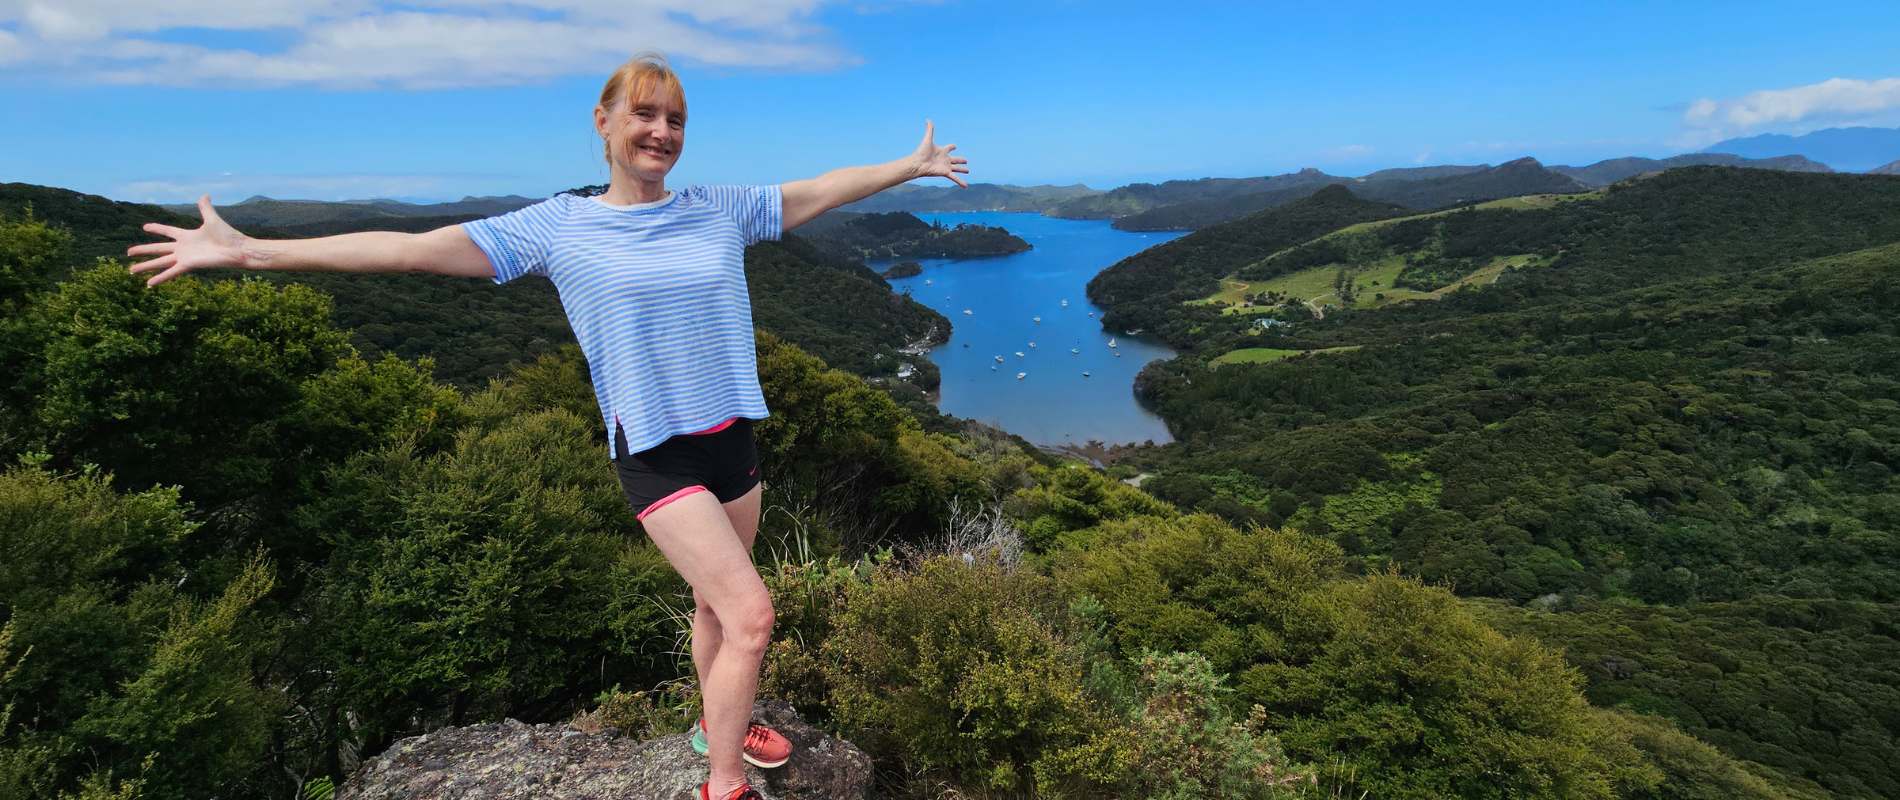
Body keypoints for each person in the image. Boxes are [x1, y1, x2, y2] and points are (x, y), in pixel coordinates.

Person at [125, 52, 969, 800]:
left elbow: (818, 189)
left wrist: (911, 165)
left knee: (717, 605)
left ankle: (715, 719)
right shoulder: (556, 227)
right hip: (655, 452)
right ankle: (723, 783)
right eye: (643, 113)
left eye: (675, 118)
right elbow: (409, 248)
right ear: (602, 123)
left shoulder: (717, 208)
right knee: (751, 614)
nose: (661, 130)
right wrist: (251, 253)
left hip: (732, 437)